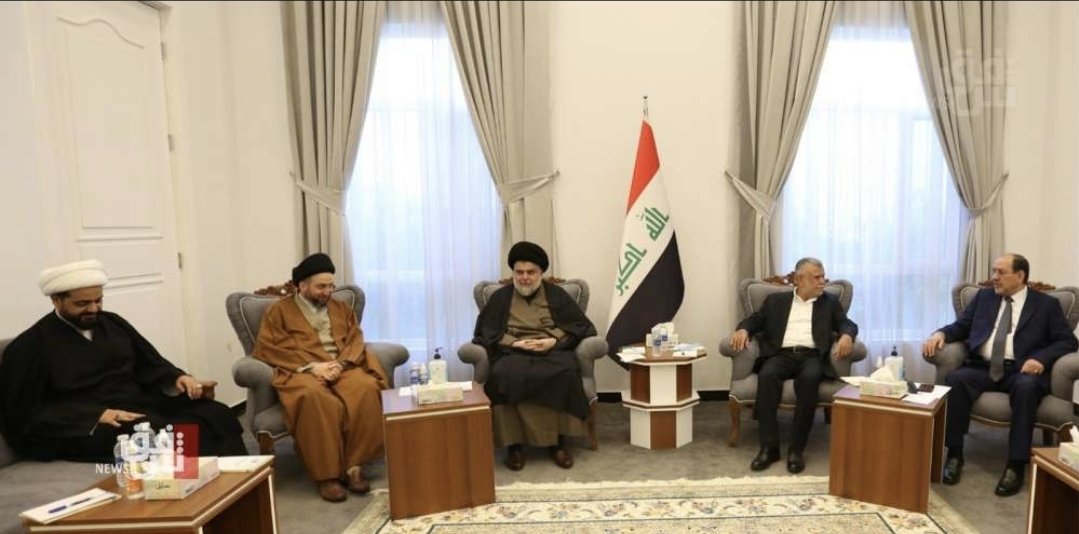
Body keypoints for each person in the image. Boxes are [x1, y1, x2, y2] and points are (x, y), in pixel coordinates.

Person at [0, 260, 246, 463]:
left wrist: (178, 378)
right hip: (85, 425)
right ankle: (197, 493)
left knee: (215, 412)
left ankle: (240, 483)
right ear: (56, 300)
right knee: (164, 433)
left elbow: (150, 364)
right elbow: (25, 412)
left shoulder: (112, 323)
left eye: (98, 300)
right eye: (82, 304)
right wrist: (95, 415)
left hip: (135, 404)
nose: (93, 309)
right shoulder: (30, 347)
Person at [923, 253, 1078, 497]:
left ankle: (1016, 464)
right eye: (994, 271)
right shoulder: (984, 298)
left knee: (1027, 388)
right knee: (956, 380)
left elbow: (1067, 341)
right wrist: (939, 334)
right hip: (982, 367)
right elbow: (962, 326)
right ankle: (954, 454)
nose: (994, 277)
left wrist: (1041, 360)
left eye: (1001, 272)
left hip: (1021, 369)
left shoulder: (1045, 305)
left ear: (1020, 276)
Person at [253, 253, 388, 502]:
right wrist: (313, 367)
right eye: (321, 287)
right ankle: (327, 476)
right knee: (314, 397)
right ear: (302, 286)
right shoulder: (278, 311)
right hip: (302, 370)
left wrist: (340, 364)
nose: (328, 292)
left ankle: (354, 466)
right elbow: (268, 348)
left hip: (341, 365)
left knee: (366, 388)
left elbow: (355, 339)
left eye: (331, 286)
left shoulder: (341, 308)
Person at [473, 241, 595, 471]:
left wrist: (553, 340)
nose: (525, 278)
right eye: (519, 272)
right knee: (503, 374)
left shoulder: (557, 295)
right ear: (513, 272)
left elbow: (579, 326)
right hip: (513, 351)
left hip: (552, 350)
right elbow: (485, 331)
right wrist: (514, 342)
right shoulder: (500, 298)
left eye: (531, 272)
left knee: (566, 373)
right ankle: (513, 446)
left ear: (541, 273)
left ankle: (557, 443)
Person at [728, 257, 857, 473]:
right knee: (767, 375)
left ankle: (796, 450)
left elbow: (847, 323)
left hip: (812, 356)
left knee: (809, 379)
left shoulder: (829, 302)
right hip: (781, 355)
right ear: (799, 279)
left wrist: (846, 336)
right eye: (817, 277)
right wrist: (743, 329)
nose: (822, 282)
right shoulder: (776, 301)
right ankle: (769, 448)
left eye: (823, 277)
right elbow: (755, 320)